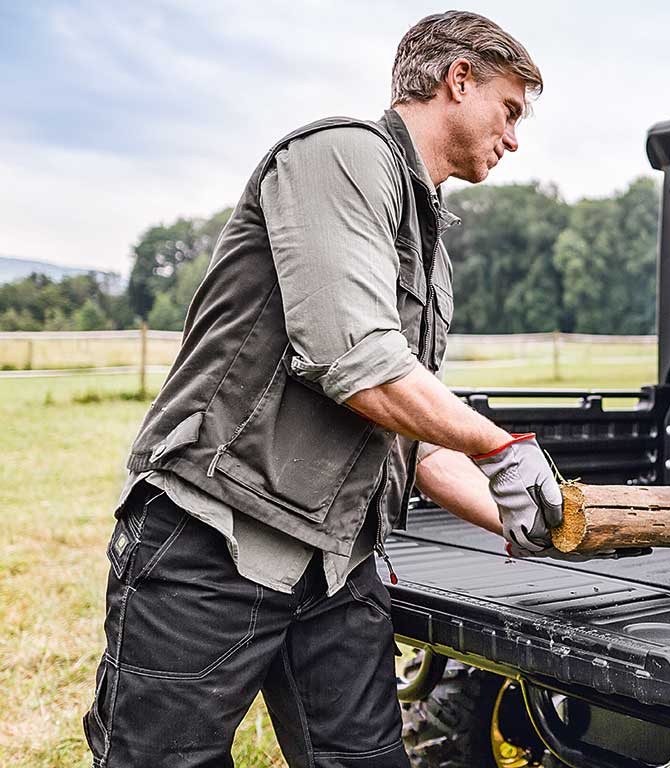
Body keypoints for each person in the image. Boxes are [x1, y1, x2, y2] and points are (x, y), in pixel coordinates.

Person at [85, 11, 560, 766]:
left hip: (336, 568)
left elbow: (404, 427)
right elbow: (357, 361)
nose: (513, 137)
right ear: (458, 79)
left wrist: (521, 519)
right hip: (218, 540)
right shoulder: (342, 155)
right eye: (509, 110)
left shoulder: (425, 235)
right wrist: (503, 447)